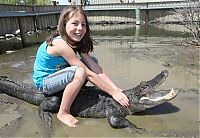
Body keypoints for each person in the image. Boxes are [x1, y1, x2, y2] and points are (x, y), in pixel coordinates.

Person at [33, 5, 129, 128]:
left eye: (83, 25)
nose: (80, 28)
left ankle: (71, 90)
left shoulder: (75, 42)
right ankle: (63, 112)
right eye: (75, 23)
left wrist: (116, 89)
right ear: (64, 25)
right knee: (80, 72)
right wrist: (112, 93)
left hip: (59, 75)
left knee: (92, 61)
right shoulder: (60, 44)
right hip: (45, 82)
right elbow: (87, 73)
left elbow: (95, 68)